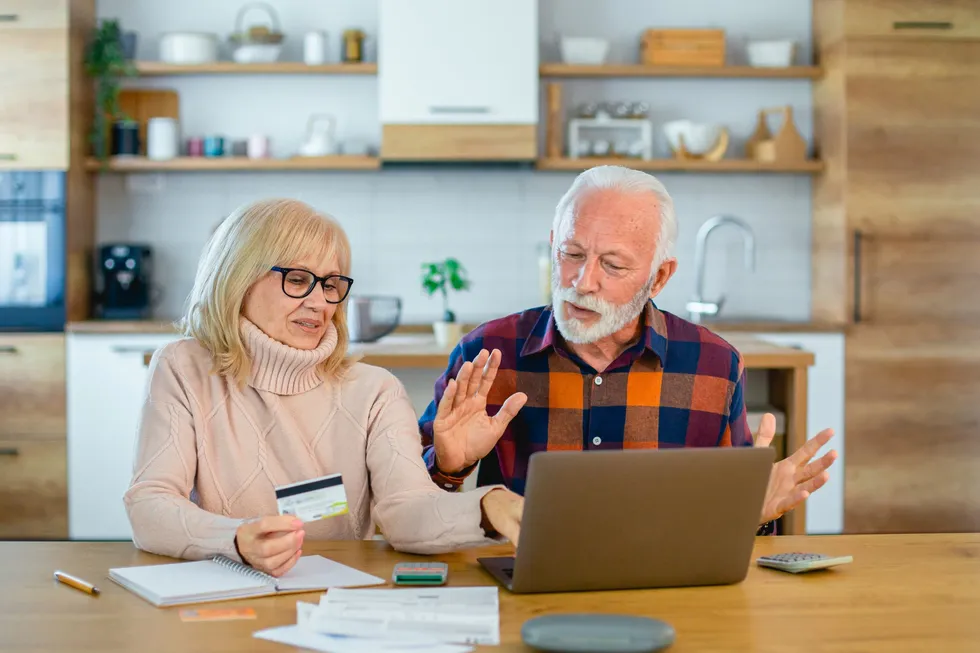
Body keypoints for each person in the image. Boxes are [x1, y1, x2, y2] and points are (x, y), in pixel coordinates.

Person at [419, 166, 838, 542]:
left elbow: (730, 528)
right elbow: (409, 505)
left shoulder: (715, 364)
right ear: (553, 246)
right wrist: (448, 467)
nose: (583, 282)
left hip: (669, 591)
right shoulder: (487, 353)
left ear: (659, 277)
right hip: (520, 590)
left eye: (613, 266)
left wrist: (755, 515)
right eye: (572, 254)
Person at [124, 198, 523, 577]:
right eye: (298, 280)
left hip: (336, 606)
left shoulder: (375, 391)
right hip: (220, 598)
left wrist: (485, 506)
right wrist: (233, 539)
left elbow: (408, 512)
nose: (320, 302)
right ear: (237, 280)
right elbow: (149, 505)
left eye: (331, 284)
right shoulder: (182, 367)